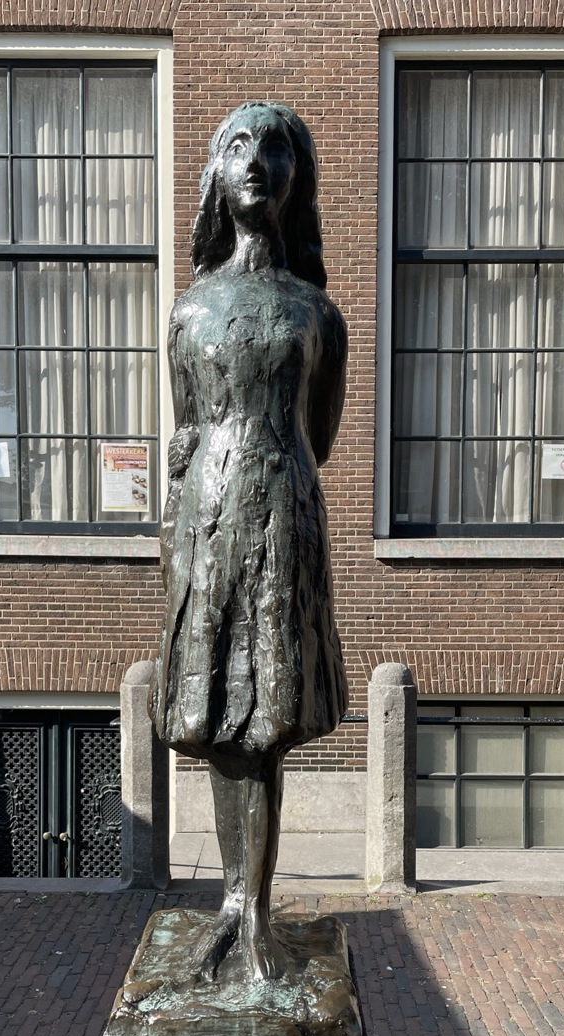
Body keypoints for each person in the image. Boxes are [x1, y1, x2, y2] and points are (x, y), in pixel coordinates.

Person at [149, 102, 348, 984]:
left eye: (277, 148)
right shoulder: (190, 311)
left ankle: (255, 907)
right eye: (239, 145)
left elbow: (319, 435)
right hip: (205, 519)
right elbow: (187, 430)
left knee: (266, 714)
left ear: (298, 177)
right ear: (216, 176)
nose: (258, 161)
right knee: (218, 712)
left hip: (283, 514)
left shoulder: (317, 312)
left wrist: (271, 479)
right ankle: (232, 902)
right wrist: (176, 537)